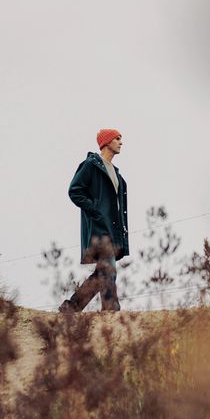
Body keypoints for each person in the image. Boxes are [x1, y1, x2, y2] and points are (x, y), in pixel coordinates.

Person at [59, 128, 129, 313]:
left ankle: (72, 307)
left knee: (102, 272)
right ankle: (110, 309)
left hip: (112, 231)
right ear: (106, 142)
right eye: (117, 139)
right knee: (109, 268)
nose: (121, 142)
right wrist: (96, 211)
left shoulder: (117, 174)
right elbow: (75, 191)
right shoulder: (91, 165)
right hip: (98, 229)